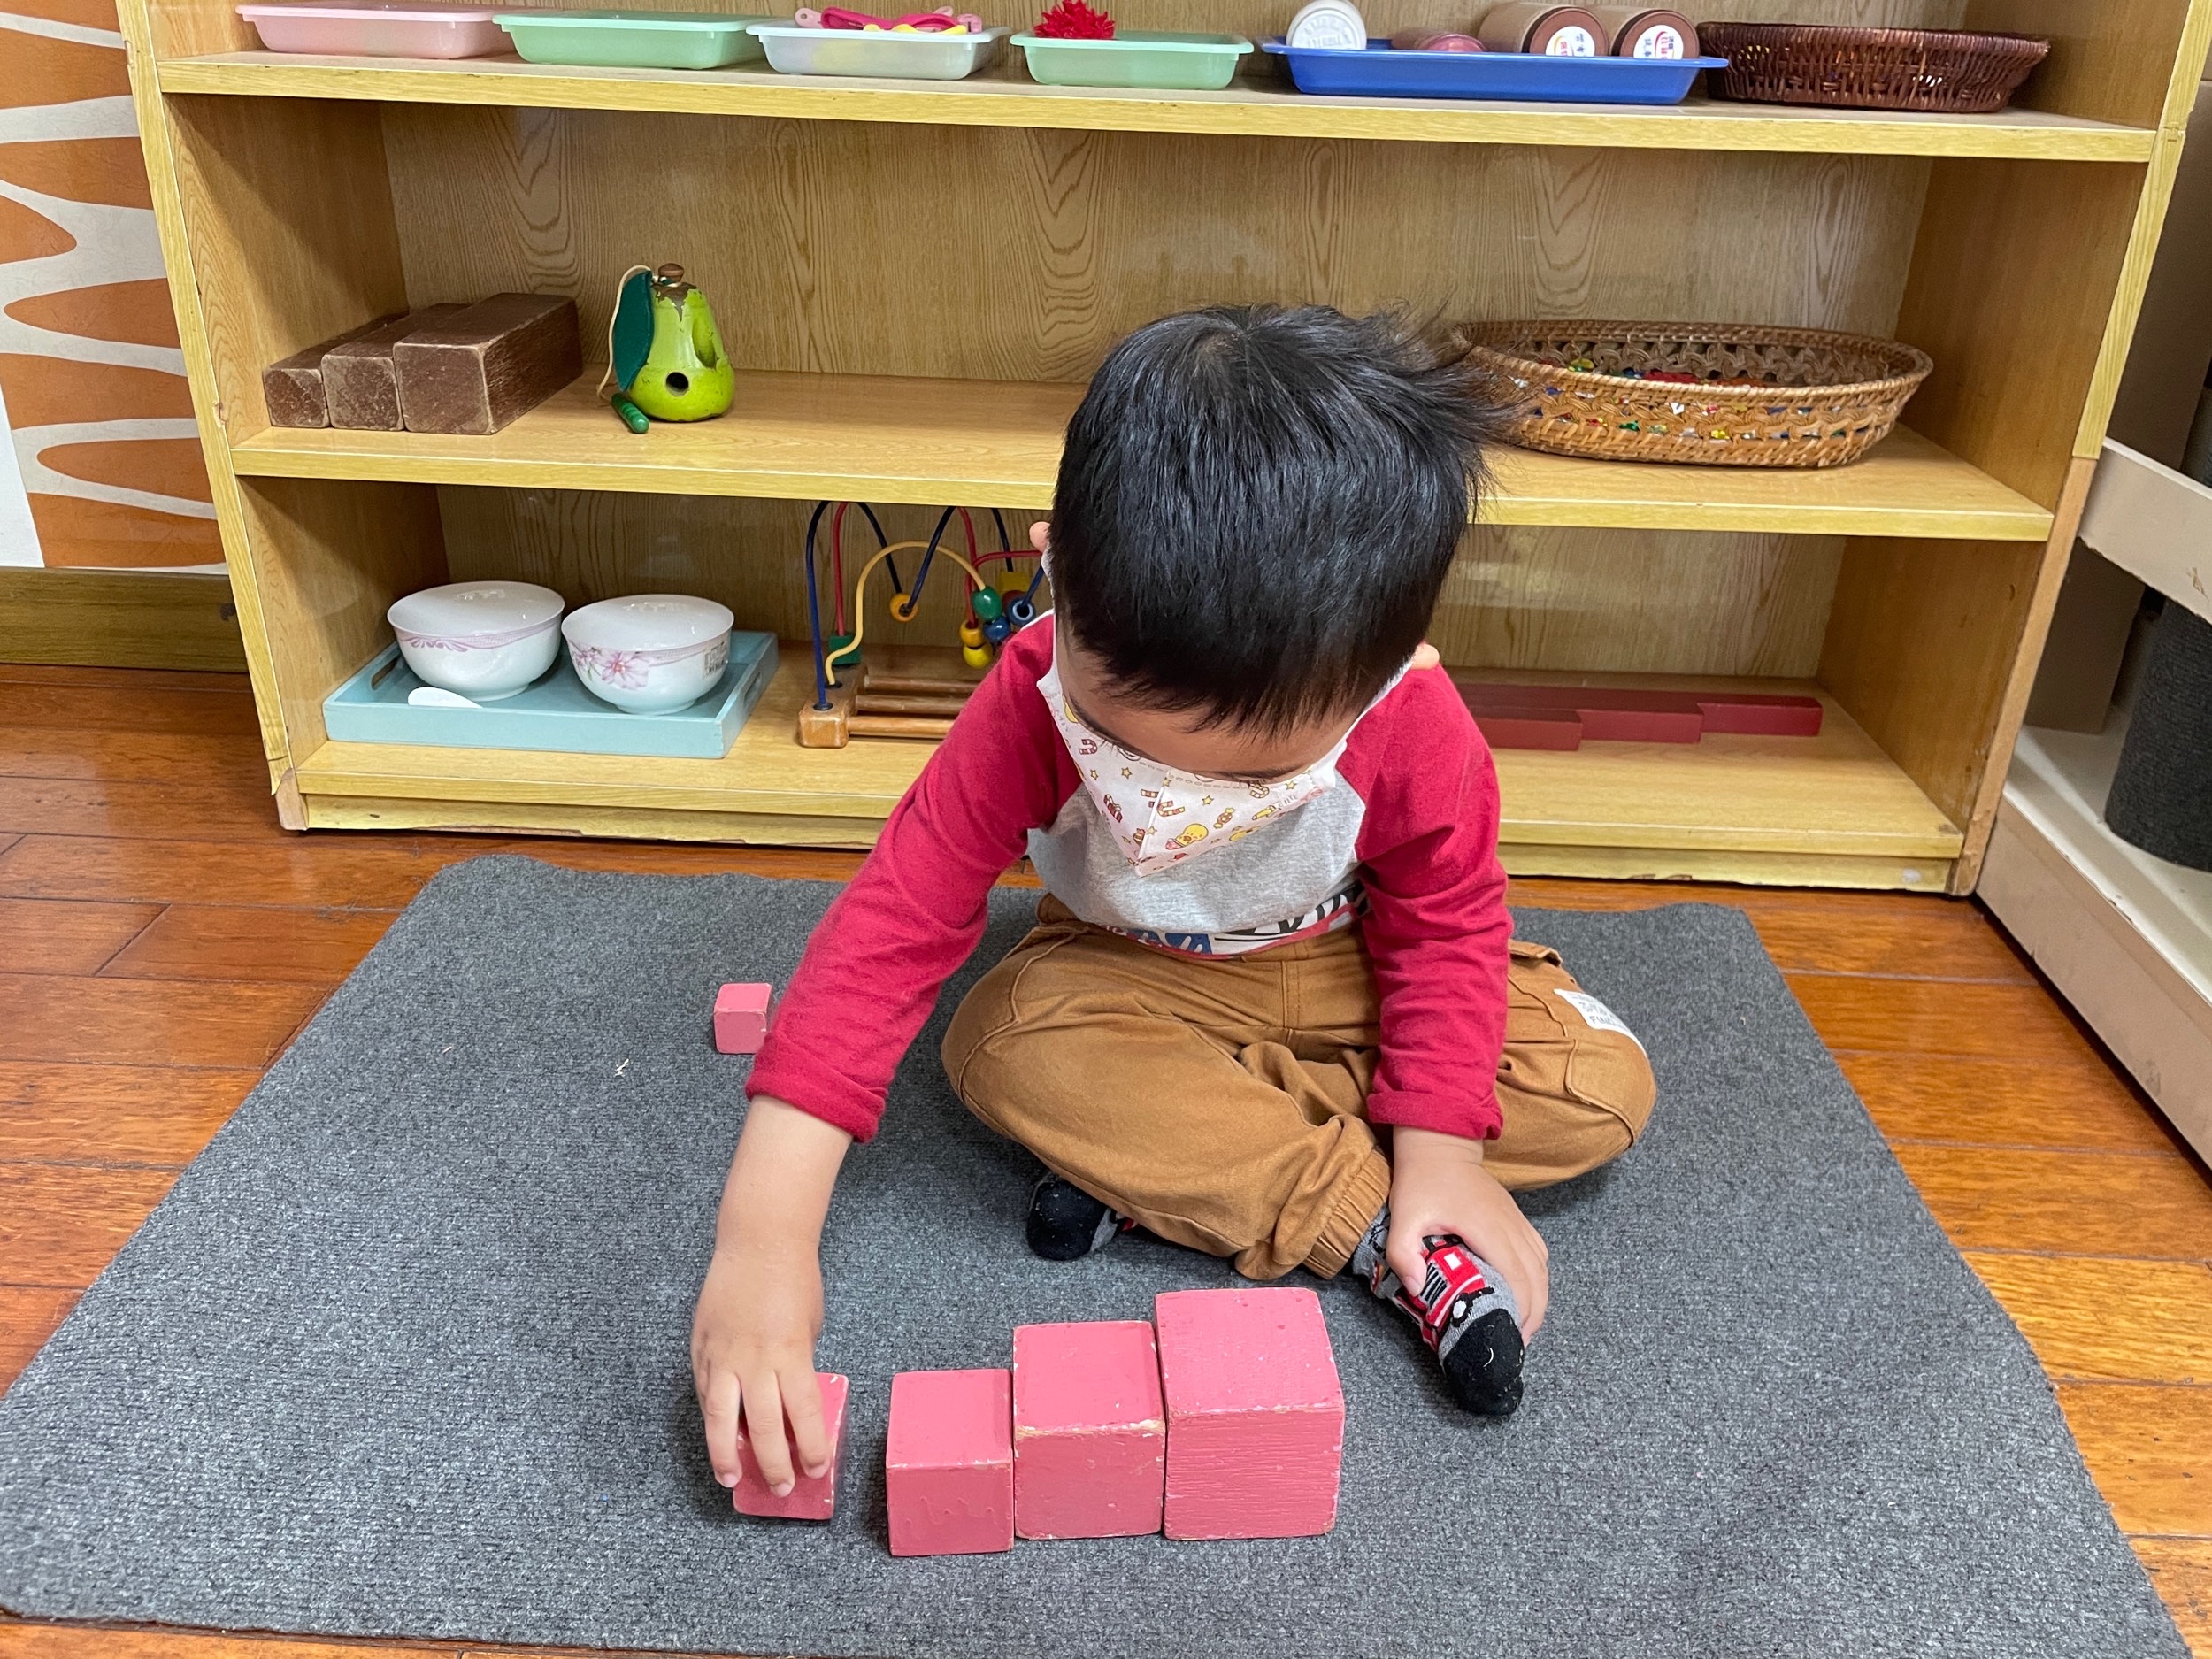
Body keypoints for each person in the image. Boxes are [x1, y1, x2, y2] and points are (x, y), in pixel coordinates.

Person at [691, 305, 1657, 1499]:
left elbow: (1449, 923)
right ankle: (1363, 1219)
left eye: (1257, 776)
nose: (1181, 802)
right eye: (1128, 747)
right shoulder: (1026, 701)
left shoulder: (1414, 719)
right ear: (1056, 568)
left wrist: (1448, 1147)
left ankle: (1177, 1160)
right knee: (999, 1041)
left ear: (1393, 668)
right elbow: (892, 929)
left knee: (1601, 1083)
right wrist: (763, 1241)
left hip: (1354, 963)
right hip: (1131, 972)